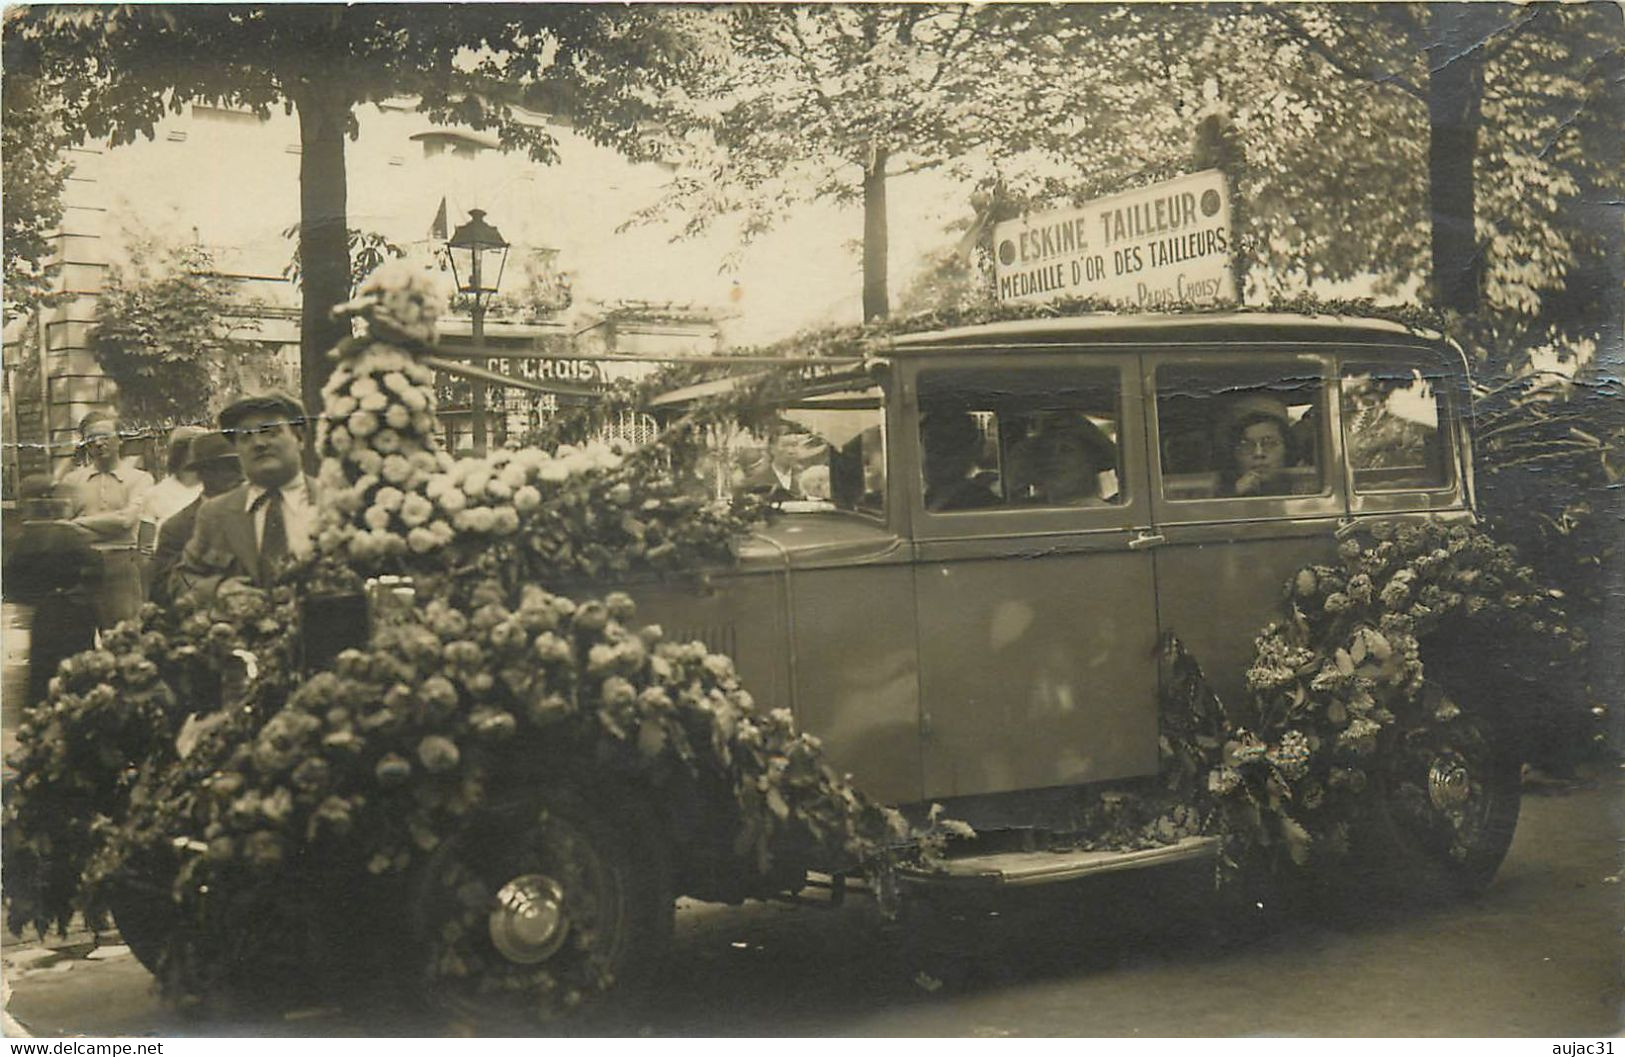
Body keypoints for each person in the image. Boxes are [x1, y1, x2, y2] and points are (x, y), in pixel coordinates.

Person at [171, 392, 319, 602]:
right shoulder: (215, 514)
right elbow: (180, 580)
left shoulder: (334, 503)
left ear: (300, 438)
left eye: (270, 432)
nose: (258, 443)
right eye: (245, 437)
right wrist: (217, 589)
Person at [2, 476, 101, 705]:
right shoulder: (73, 535)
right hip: (73, 611)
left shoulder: (22, 539)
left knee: (45, 671)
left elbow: (12, 580)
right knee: (76, 670)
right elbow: (95, 570)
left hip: (47, 613)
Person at [60, 410, 154, 628]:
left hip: (121, 568)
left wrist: (78, 522)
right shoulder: (72, 481)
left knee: (124, 638)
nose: (99, 444)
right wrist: (79, 526)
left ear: (120, 440)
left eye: (106, 437)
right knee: (78, 642)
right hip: (81, 569)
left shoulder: (140, 479)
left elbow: (126, 521)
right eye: (92, 439)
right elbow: (63, 528)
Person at [150, 432, 243, 607]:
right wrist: (215, 590)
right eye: (227, 468)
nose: (239, 476)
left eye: (239, 467)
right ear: (203, 473)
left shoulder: (257, 511)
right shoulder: (177, 527)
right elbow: (162, 589)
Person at [1018, 415, 1117, 505]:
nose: (1053, 458)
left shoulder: (1105, 515)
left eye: (1066, 450)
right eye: (1046, 450)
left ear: (1091, 460)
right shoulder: (1025, 511)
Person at [920, 409, 999, 512]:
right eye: (931, 446)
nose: (935, 456)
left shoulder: (981, 503)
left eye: (950, 446)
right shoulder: (925, 500)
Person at [1220, 394, 1296, 497]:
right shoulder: (1214, 493)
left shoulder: (1308, 488)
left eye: (1269, 444)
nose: (1258, 453)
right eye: (1246, 445)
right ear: (1234, 453)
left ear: (1287, 448)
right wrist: (1235, 496)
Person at [744, 423, 822, 502]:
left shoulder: (807, 480)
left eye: (794, 445)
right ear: (772, 448)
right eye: (785, 445)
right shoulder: (756, 482)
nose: (791, 451)